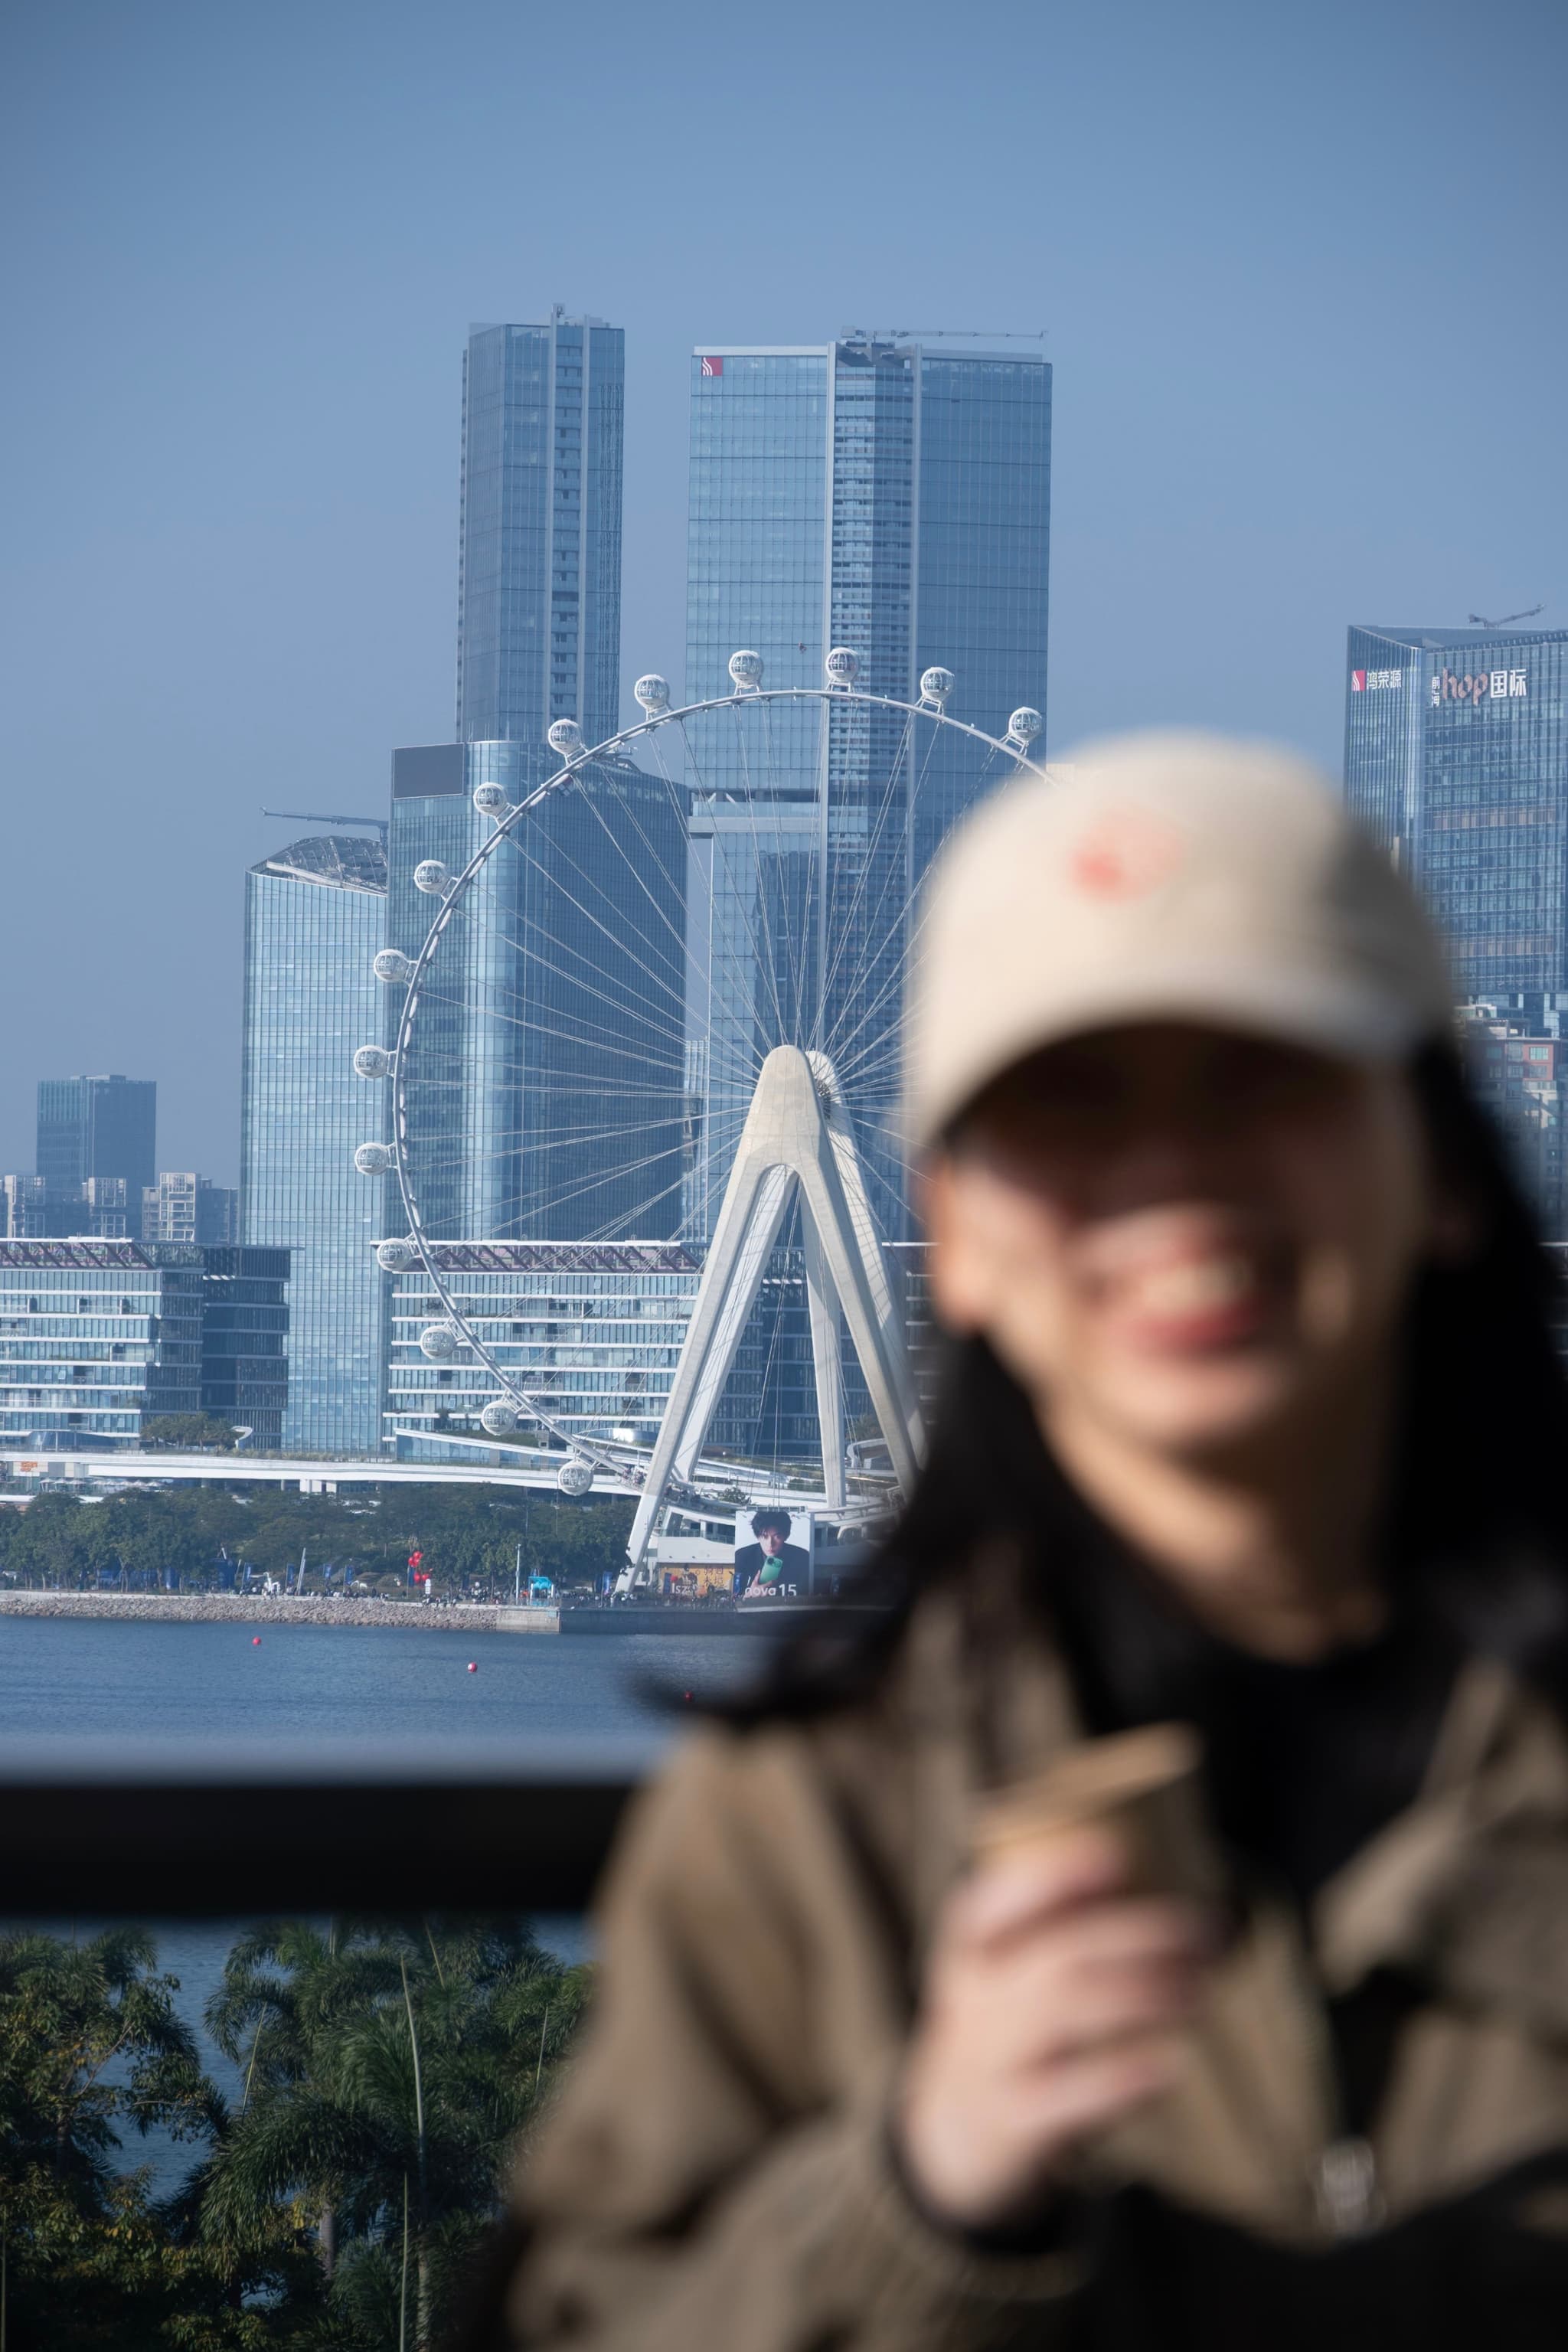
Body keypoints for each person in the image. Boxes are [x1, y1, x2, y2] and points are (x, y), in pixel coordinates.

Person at [491, 735, 1568, 2349]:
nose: (1168, 1181)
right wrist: (925, 2190)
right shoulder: (805, 1825)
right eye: (1066, 1110)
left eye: (1261, 1077)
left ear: (1440, 1171)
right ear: (962, 1236)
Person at [733, 1507, 812, 1597]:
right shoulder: (742, 1556)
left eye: (777, 1537)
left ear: (786, 1536)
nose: (770, 1543)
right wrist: (749, 1596)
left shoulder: (802, 1557)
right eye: (765, 1536)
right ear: (758, 1536)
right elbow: (734, 1601)